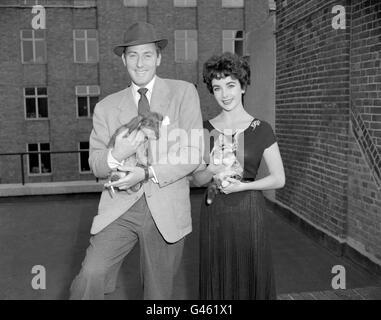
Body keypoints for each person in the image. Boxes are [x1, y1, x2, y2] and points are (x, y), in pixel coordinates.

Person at [70, 22, 203, 300]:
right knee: (91, 275)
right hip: (120, 207)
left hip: (166, 207)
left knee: (157, 295)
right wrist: (116, 154)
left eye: (146, 55)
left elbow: (193, 153)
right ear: (123, 60)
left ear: (158, 57)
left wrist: (146, 173)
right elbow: (95, 163)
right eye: (132, 55)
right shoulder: (106, 107)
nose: (139, 63)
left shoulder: (183, 93)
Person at [192, 52, 285, 300]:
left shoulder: (262, 128)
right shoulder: (204, 129)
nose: (225, 94)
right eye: (217, 87)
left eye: (231, 85)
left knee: (251, 274)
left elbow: (279, 179)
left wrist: (242, 188)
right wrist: (211, 169)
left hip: (249, 213)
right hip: (215, 214)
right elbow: (197, 180)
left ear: (243, 86)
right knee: (218, 278)